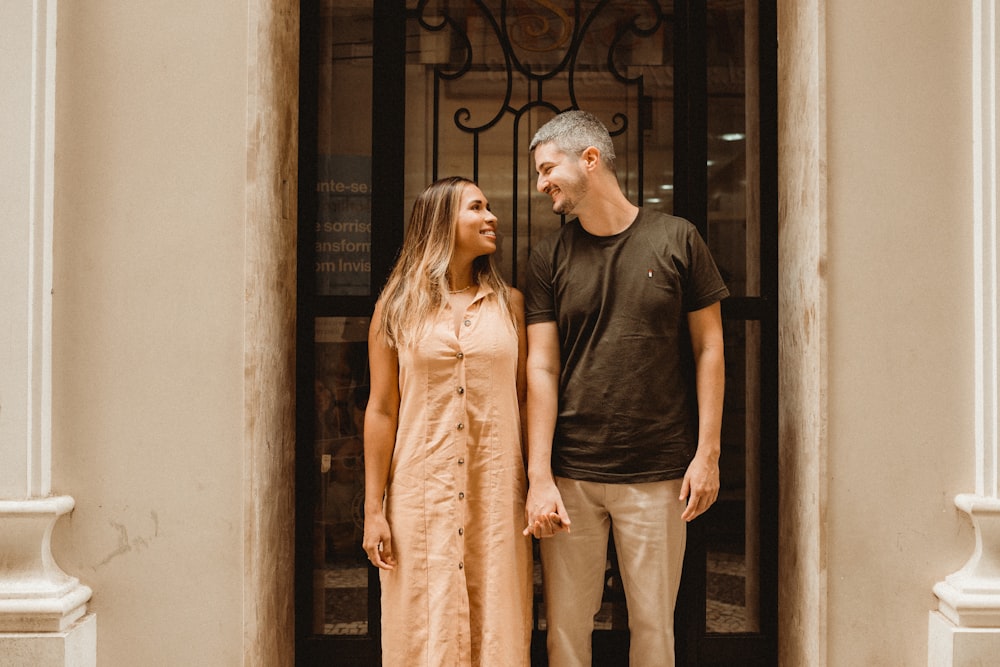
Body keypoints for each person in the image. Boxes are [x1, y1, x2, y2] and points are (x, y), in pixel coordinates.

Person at [522, 110, 729, 667]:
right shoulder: (548, 257)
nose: (541, 185)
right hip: (571, 475)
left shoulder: (678, 239)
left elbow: (710, 349)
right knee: (564, 630)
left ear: (589, 159)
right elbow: (540, 369)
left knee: (655, 628)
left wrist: (707, 454)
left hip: (659, 470)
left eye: (547, 169)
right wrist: (538, 477)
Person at [363, 176, 533, 666]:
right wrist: (374, 507)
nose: (491, 217)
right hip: (421, 495)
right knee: (422, 624)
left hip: (496, 493)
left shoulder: (511, 306)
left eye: (489, 207)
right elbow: (381, 409)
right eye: (477, 208)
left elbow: (525, 399)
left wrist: (537, 481)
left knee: (498, 622)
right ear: (442, 222)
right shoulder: (395, 308)